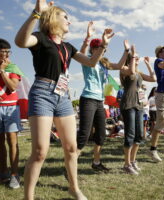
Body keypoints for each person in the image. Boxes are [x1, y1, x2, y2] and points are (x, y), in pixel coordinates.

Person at [15, 1, 114, 199]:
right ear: (53, 18)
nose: (69, 20)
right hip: (42, 92)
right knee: (40, 151)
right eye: (65, 16)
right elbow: (20, 42)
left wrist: (103, 44)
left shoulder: (69, 46)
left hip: (63, 96)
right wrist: (36, 13)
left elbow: (91, 61)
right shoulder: (40, 38)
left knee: (71, 147)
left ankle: (74, 188)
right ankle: (29, 197)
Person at [76, 21, 129, 172]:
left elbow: (119, 66)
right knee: (84, 135)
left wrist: (126, 52)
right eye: (98, 49)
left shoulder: (104, 64)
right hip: (88, 99)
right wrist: (88, 37)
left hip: (100, 101)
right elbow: (81, 51)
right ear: (93, 50)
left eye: (103, 50)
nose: (102, 52)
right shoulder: (87, 61)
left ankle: (96, 163)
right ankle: (71, 163)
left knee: (101, 134)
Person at [119, 46, 156, 174]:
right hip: (128, 105)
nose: (138, 60)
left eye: (138, 58)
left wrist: (148, 64)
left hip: (139, 106)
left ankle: (133, 161)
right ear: (130, 59)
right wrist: (133, 54)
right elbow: (132, 74)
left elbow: (153, 79)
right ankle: (126, 164)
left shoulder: (139, 72)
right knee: (130, 134)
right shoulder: (124, 69)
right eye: (136, 58)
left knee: (139, 135)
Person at [0, 38, 23, 189]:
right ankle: (3, 173)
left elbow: (12, 88)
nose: (6, 55)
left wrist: (3, 71)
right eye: (2, 52)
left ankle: (14, 174)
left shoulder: (12, 67)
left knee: (12, 141)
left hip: (11, 107)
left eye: (8, 52)